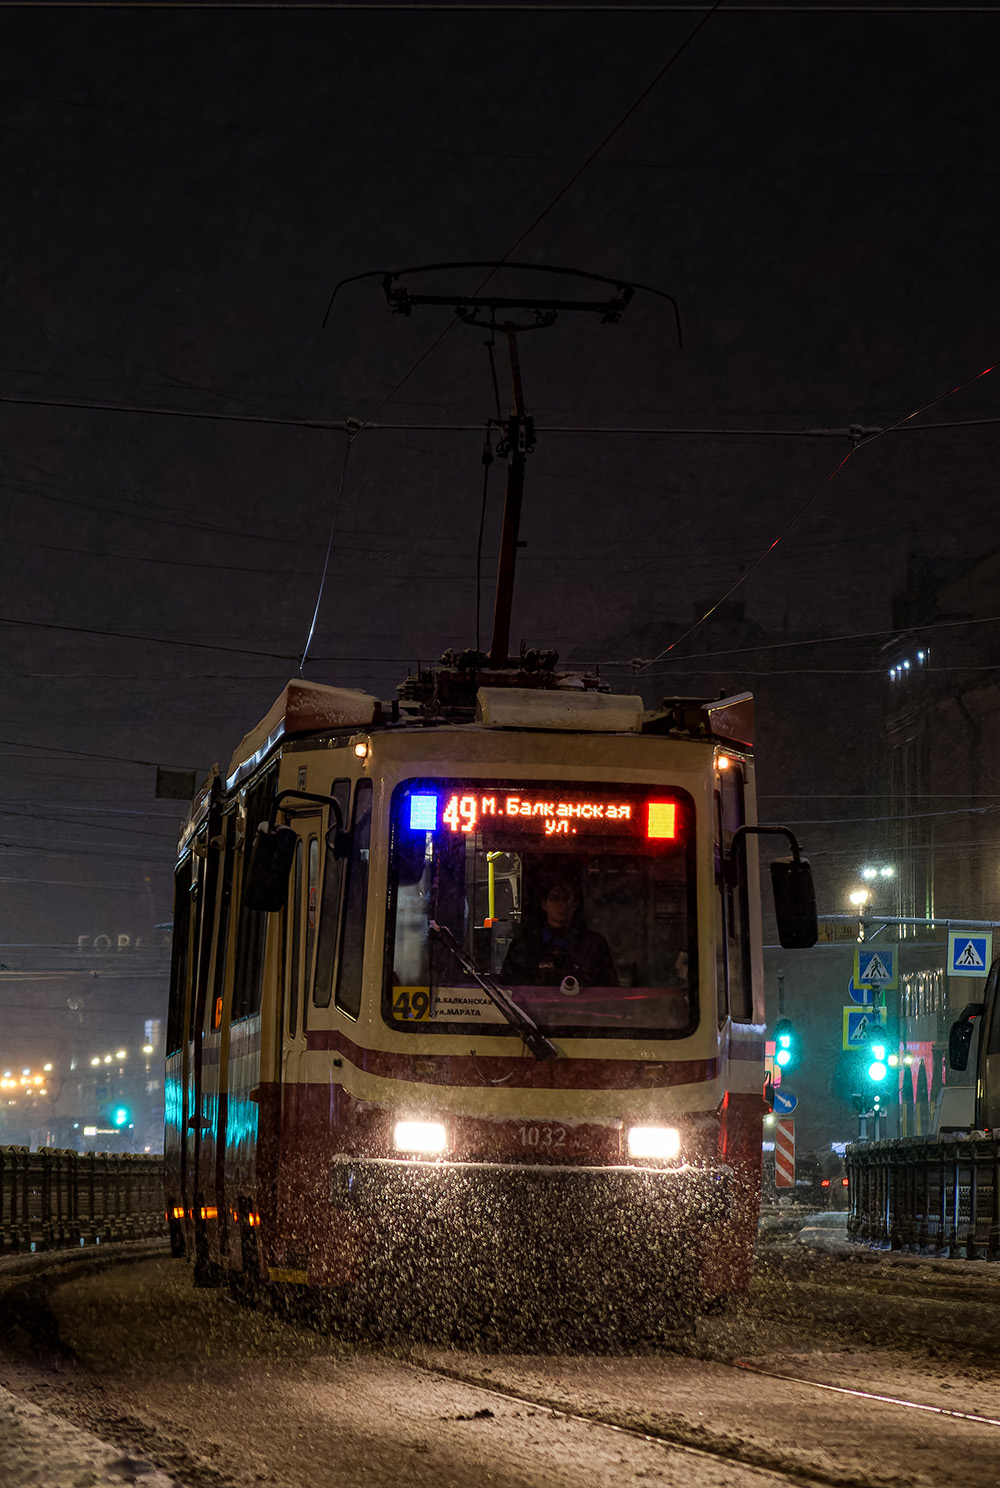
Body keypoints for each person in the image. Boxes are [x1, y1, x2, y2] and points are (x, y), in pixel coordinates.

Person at [501, 870, 618, 988]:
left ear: (576, 904)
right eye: (556, 898)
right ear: (544, 903)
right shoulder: (524, 945)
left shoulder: (594, 945)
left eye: (568, 898)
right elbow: (509, 990)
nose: (563, 904)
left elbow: (609, 990)